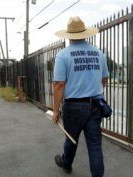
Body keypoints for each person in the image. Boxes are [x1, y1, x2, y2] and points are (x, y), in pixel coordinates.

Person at [52, 16, 109, 177]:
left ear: (69, 35)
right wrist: (93, 90)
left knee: (71, 139)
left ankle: (66, 163)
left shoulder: (63, 55)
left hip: (73, 106)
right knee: (95, 146)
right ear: (85, 33)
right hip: (96, 105)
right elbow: (104, 79)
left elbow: (59, 85)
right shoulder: (99, 54)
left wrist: (55, 111)